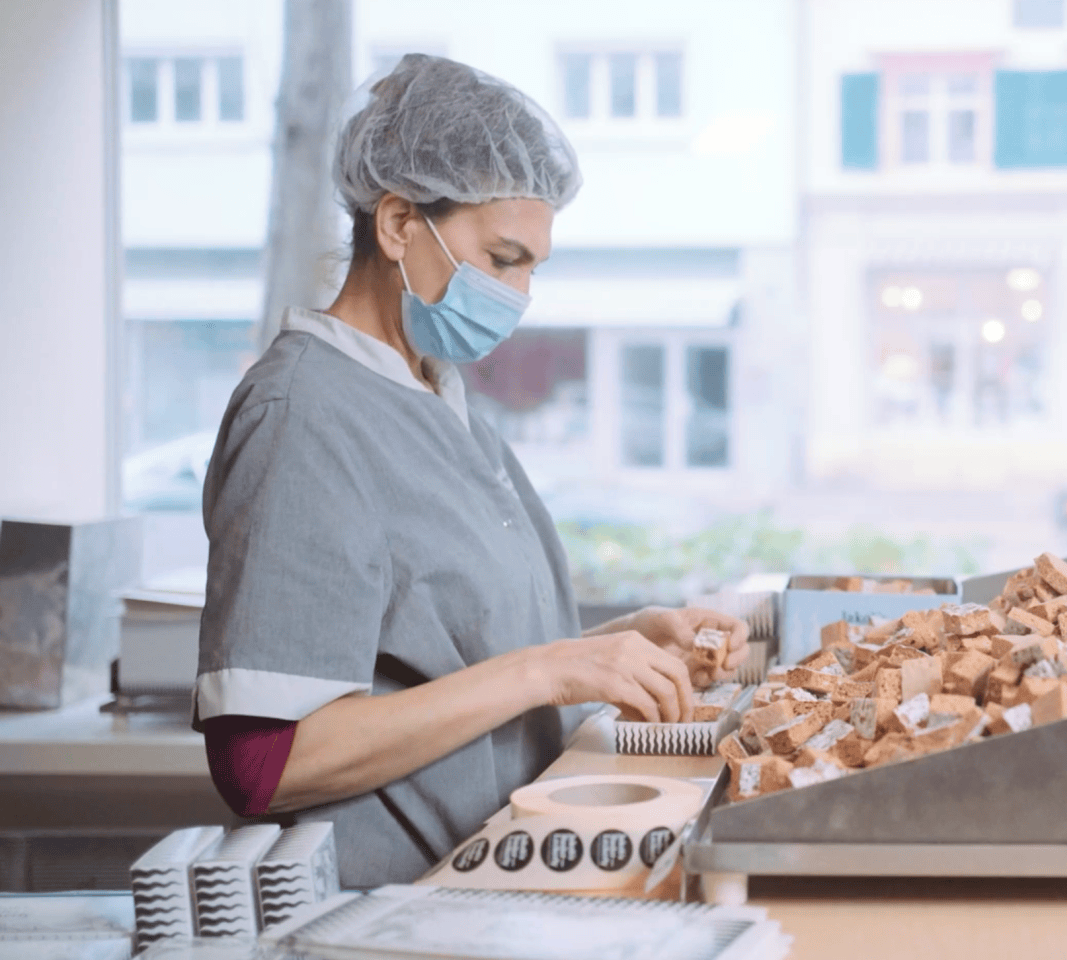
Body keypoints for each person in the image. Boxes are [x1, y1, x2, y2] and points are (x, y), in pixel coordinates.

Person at [194, 54, 749, 888]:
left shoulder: (433, 396)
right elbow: (265, 762)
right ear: (396, 225)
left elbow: (461, 664)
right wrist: (551, 667)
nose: (520, 294)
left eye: (533, 266)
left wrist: (618, 644)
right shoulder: (302, 416)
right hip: (384, 907)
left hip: (487, 889)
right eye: (501, 257)